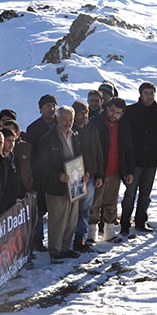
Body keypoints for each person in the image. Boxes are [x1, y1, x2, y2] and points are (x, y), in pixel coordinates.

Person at [37, 106, 87, 264]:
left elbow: (79, 156)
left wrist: (84, 172)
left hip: (74, 182)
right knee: (58, 219)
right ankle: (55, 250)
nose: (68, 123)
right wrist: (58, 175)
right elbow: (41, 164)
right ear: (57, 119)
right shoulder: (47, 138)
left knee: (72, 218)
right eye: (64, 119)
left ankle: (66, 247)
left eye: (71, 119)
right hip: (56, 185)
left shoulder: (76, 135)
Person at [119, 82, 157, 235]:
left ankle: (140, 222)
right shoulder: (130, 112)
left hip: (151, 161)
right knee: (130, 194)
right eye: (146, 93)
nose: (149, 96)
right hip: (134, 161)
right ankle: (124, 223)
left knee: (145, 195)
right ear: (140, 94)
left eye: (151, 93)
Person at [88, 98, 135, 242]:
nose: (114, 115)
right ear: (107, 108)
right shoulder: (96, 123)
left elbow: (129, 149)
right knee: (94, 204)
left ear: (122, 114)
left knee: (111, 202)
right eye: (112, 110)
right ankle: (91, 235)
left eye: (118, 113)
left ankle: (109, 233)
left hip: (116, 171)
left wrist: (129, 171)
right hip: (99, 171)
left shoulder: (124, 125)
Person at [26, 94, 59, 252]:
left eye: (53, 105)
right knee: (39, 210)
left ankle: (56, 239)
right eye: (48, 106)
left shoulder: (61, 123)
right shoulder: (33, 129)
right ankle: (38, 240)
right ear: (40, 109)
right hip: (40, 174)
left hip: (59, 173)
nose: (51, 109)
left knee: (56, 208)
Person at [71, 101, 103, 252]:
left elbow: (98, 152)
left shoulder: (92, 129)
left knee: (85, 209)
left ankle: (79, 239)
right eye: (80, 113)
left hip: (89, 176)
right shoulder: (70, 131)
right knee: (71, 210)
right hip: (73, 176)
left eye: (86, 112)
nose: (84, 116)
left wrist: (97, 173)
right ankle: (66, 240)